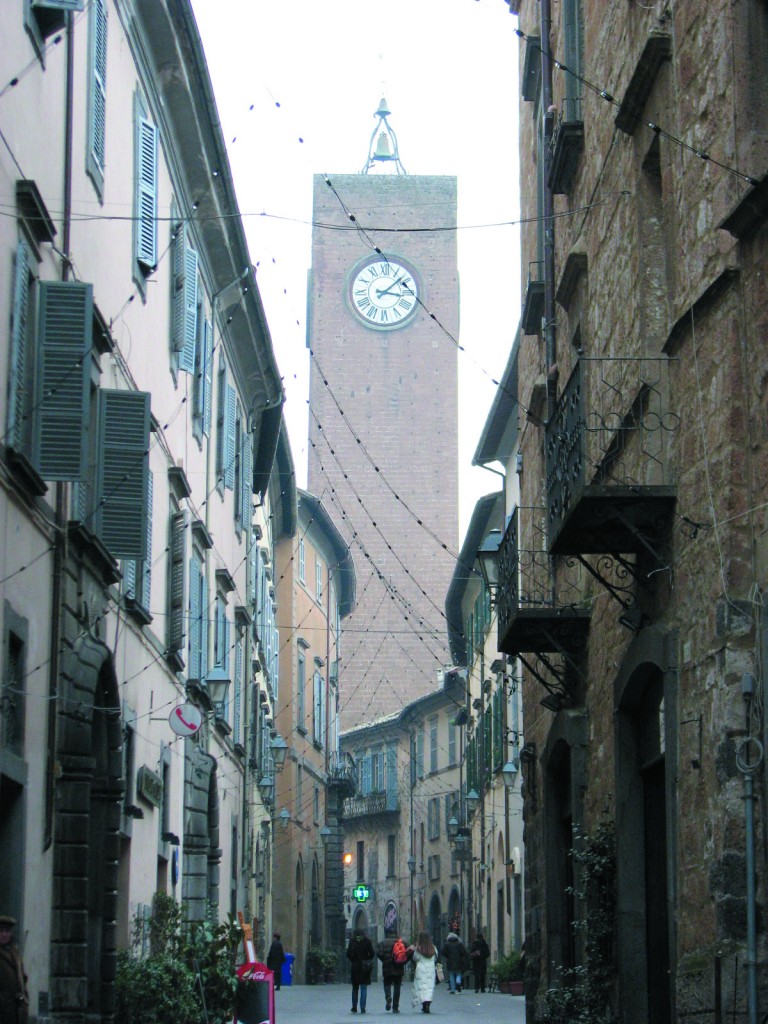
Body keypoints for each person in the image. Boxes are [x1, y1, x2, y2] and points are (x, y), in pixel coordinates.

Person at [0, 916, 28, 1024]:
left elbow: (21, 976)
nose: (4, 934)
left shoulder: (14, 952)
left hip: (16, 1007)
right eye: (1, 931)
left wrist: (24, 997)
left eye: (7, 931)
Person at [376, 929, 410, 1013]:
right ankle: (395, 1007)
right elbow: (409, 952)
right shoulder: (402, 942)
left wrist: (384, 960)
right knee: (397, 986)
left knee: (387, 983)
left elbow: (379, 954)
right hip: (398, 967)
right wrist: (404, 961)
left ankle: (388, 996)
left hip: (387, 967)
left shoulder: (383, 943)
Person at [346, 927, 375, 1014]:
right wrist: (367, 959)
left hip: (355, 967)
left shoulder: (352, 941)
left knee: (355, 987)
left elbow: (348, 954)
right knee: (363, 987)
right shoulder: (367, 941)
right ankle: (363, 1007)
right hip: (364, 967)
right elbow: (372, 954)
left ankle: (354, 1007)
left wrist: (353, 960)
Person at [408, 931, 437, 1014]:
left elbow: (415, 957)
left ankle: (424, 1005)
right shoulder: (433, 948)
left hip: (421, 968)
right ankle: (428, 1003)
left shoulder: (419, 948)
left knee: (422, 987)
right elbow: (435, 957)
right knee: (429, 987)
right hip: (430, 969)